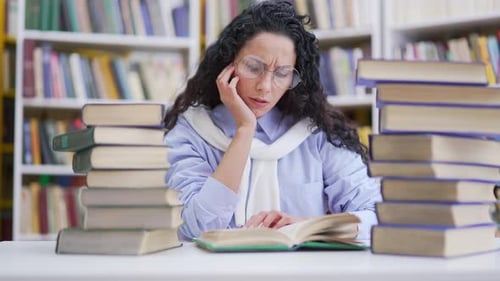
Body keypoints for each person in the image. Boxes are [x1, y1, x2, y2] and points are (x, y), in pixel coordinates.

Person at [164, 0, 381, 241]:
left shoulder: (316, 135)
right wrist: (245, 131)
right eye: (254, 67)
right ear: (227, 65)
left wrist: (311, 226)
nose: (265, 87)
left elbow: (377, 216)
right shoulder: (191, 131)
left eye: (282, 73)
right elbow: (195, 228)